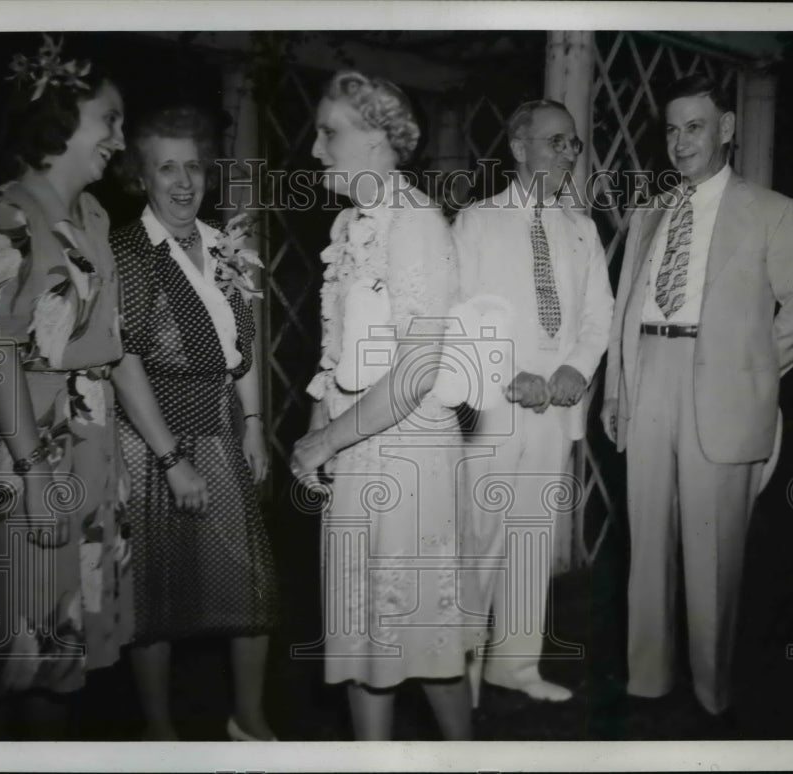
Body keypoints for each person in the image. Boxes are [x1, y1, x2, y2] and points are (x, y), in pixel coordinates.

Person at [602, 73, 793, 719]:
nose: (680, 142)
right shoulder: (649, 213)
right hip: (649, 375)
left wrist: (748, 370)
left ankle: (710, 693)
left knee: (712, 553)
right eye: (672, 130)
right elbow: (624, 312)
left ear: (726, 128)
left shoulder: (773, 211)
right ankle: (647, 682)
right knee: (646, 544)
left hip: (720, 388)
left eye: (695, 127)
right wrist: (617, 393)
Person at [289, 70, 471, 741]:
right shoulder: (348, 225)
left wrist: (327, 440)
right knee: (362, 637)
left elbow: (417, 370)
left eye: (329, 134)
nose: (315, 151)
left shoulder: (416, 224)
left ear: (376, 139)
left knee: (423, 636)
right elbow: (334, 351)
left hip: (409, 457)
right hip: (355, 450)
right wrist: (319, 430)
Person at [0, 35, 132, 739]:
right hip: (30, 456)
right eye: (109, 121)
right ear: (62, 120)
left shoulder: (93, 216)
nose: (119, 140)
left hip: (90, 453)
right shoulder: (7, 214)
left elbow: (109, 346)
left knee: (63, 649)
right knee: (21, 650)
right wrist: (36, 474)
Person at [110, 105, 277, 741]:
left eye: (194, 167)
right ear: (141, 177)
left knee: (250, 584)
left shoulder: (224, 244)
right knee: (154, 596)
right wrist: (170, 460)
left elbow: (243, 345)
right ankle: (160, 734)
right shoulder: (127, 250)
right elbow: (122, 359)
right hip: (150, 440)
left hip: (219, 429)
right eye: (167, 168)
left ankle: (249, 720)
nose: (184, 182)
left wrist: (253, 423)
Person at [451, 99, 614, 704]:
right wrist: (506, 372)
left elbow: (598, 315)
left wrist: (575, 368)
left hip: (555, 409)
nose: (569, 153)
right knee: (479, 537)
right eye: (556, 142)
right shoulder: (477, 221)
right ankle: (460, 672)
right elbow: (458, 312)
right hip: (493, 406)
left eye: (573, 143)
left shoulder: (581, 229)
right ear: (520, 148)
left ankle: (515, 666)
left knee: (532, 537)